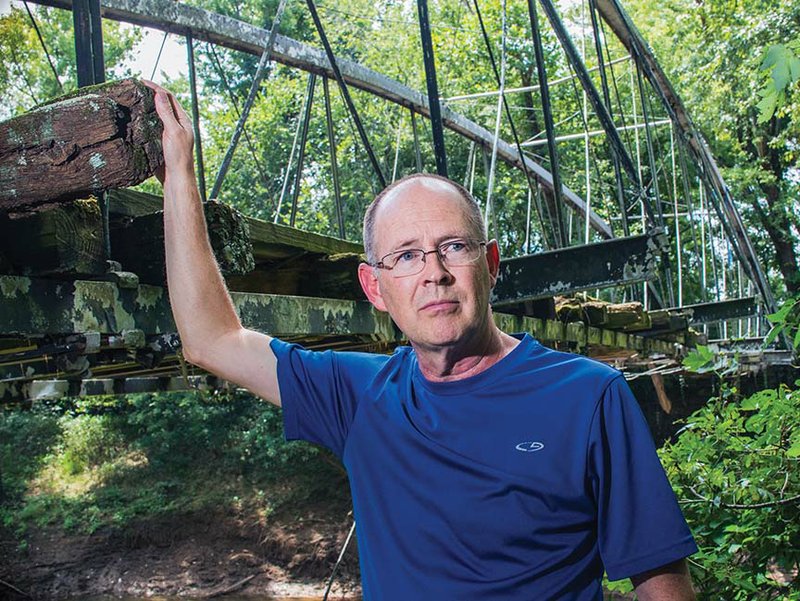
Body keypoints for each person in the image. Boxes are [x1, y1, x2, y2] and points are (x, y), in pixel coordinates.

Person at [146, 81, 698, 600]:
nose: (433, 272)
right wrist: (179, 170)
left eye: (454, 246)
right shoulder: (358, 397)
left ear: (490, 264)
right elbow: (210, 338)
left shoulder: (588, 396)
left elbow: (659, 581)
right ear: (375, 288)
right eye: (406, 256)